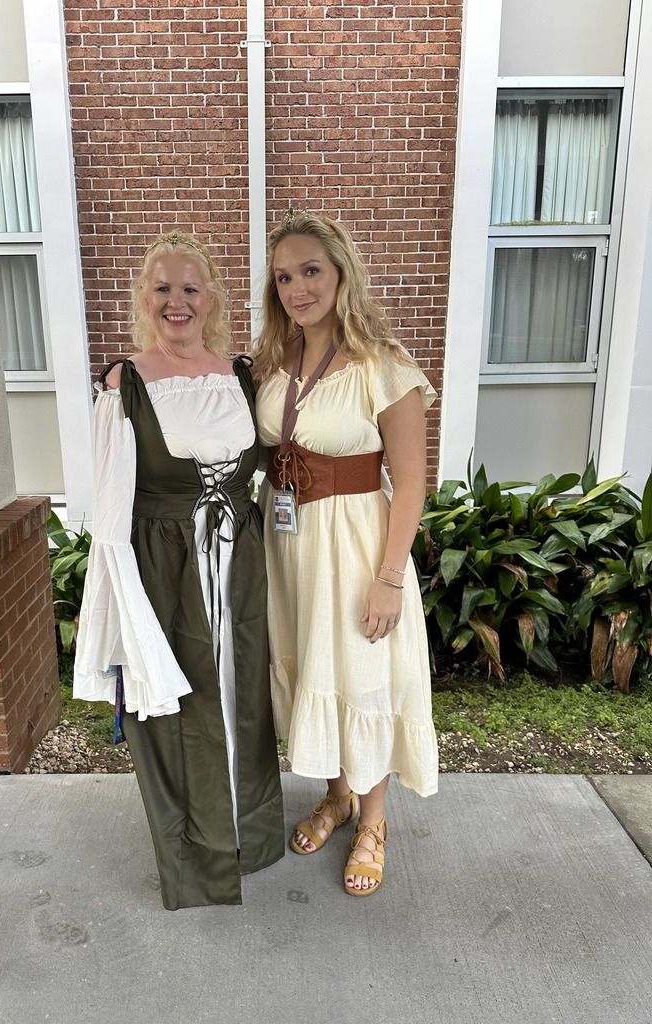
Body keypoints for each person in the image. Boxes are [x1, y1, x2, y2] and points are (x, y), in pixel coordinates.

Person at [73, 230, 285, 910]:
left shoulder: (241, 376)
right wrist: (122, 612)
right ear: (145, 298)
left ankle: (251, 837)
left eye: (190, 288)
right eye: (162, 288)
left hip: (240, 562)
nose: (176, 301)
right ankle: (197, 859)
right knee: (178, 706)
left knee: (243, 697)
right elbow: (110, 514)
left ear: (211, 297)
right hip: (164, 568)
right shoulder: (125, 385)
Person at [253, 211, 438, 897]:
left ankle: (374, 823)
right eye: (284, 277)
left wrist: (390, 578)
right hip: (290, 547)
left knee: (364, 676)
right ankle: (338, 797)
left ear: (341, 274)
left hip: (358, 544)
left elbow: (412, 481)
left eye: (311, 271)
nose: (297, 288)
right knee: (316, 668)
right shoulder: (273, 362)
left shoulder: (382, 366)